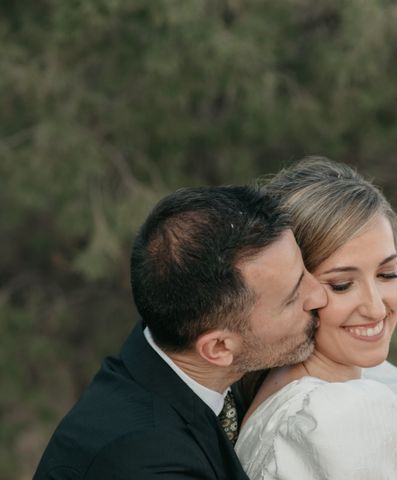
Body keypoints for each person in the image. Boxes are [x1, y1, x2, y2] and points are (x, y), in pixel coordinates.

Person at [34, 185, 327, 479]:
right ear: (219, 348)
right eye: (292, 297)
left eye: (304, 271)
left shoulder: (178, 369)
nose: (319, 295)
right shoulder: (149, 463)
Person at [235, 158, 397, 480]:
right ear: (291, 290)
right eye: (342, 285)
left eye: (387, 273)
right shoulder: (335, 417)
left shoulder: (286, 384)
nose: (376, 308)